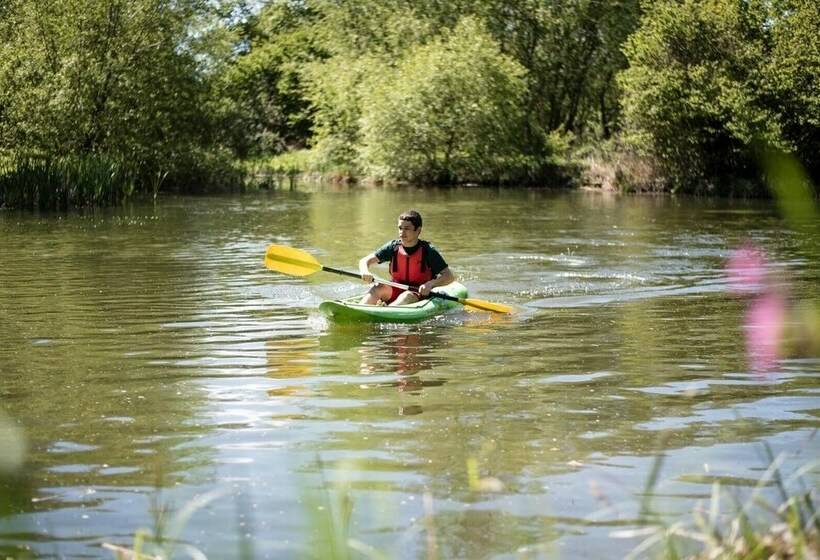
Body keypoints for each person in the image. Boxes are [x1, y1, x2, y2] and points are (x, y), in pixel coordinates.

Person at [358, 210, 455, 306]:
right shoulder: (392, 247)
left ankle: (386, 311)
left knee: (406, 296)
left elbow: (449, 276)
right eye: (400, 228)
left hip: (418, 293)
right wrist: (365, 271)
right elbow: (364, 261)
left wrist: (430, 284)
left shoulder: (428, 251)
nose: (402, 232)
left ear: (418, 230)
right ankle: (360, 308)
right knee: (378, 287)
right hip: (396, 288)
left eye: (407, 228)